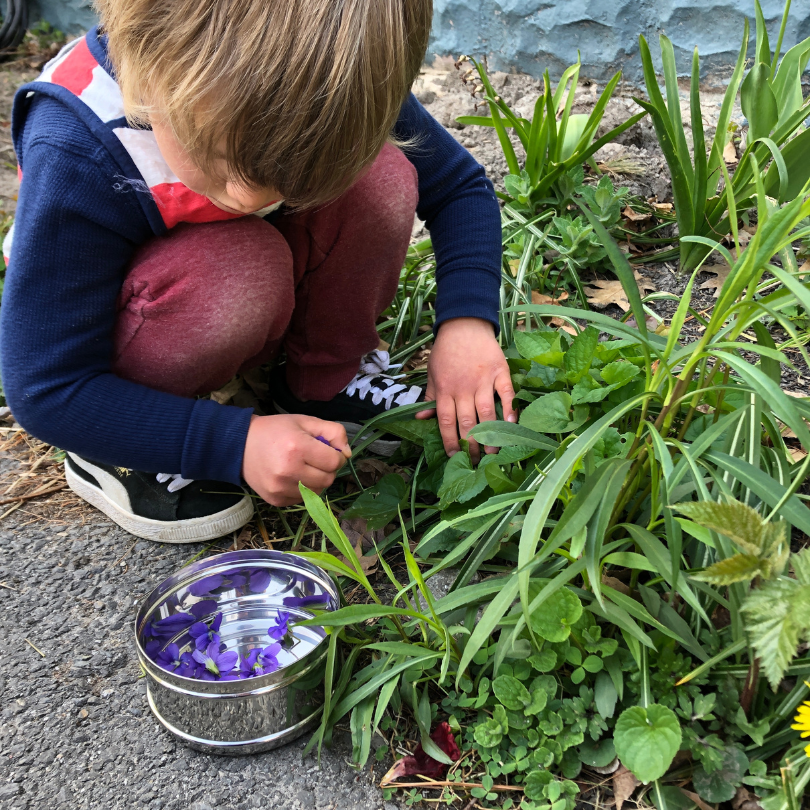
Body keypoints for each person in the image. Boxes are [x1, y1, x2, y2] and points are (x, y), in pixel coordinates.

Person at [0, 0, 516, 543]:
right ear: (153, 67)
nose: (254, 196)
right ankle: (117, 445)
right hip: (124, 338)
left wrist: (467, 325)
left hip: (221, 300)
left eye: (286, 179)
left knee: (380, 175)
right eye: (222, 157)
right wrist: (231, 443)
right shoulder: (76, 146)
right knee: (243, 268)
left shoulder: (334, 73)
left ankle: (324, 382)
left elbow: (458, 188)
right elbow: (46, 387)